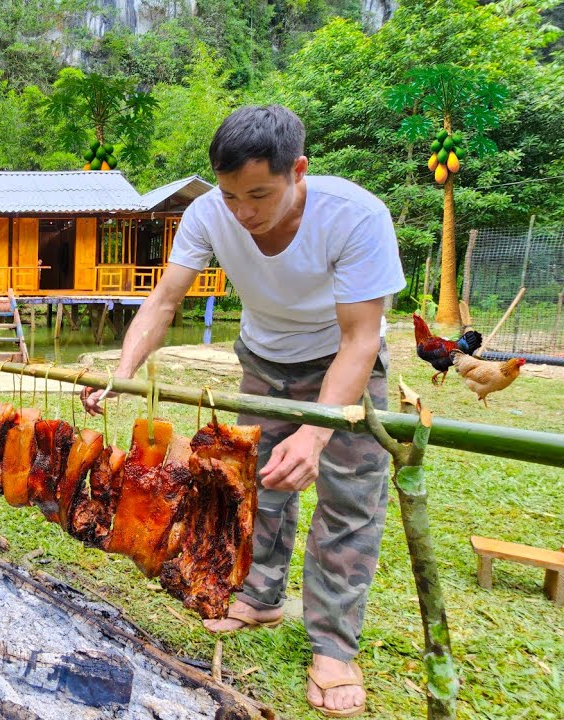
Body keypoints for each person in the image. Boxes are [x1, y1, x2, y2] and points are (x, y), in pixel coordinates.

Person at [82, 105, 404, 717]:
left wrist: (316, 432)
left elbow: (361, 338)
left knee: (349, 499)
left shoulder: (356, 217)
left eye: (259, 194)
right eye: (231, 195)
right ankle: (258, 595)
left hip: (344, 359)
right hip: (263, 356)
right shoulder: (208, 214)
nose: (243, 212)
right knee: (253, 487)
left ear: (298, 171)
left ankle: (333, 646)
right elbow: (164, 299)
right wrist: (122, 375)